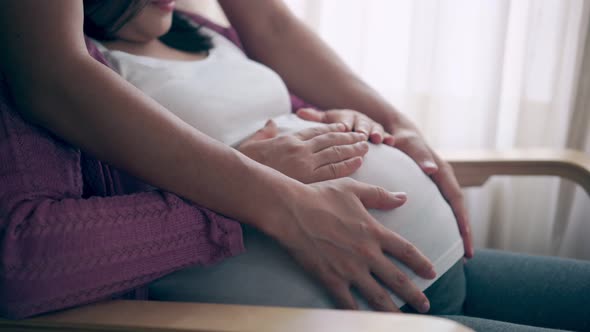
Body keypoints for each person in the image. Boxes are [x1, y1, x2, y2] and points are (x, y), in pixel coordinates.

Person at [0, 1, 588, 331]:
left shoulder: (198, 29)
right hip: (355, 311)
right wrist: (255, 188)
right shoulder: (58, 70)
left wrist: (355, 124)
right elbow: (26, 259)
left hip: (434, 271)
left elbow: (272, 90)